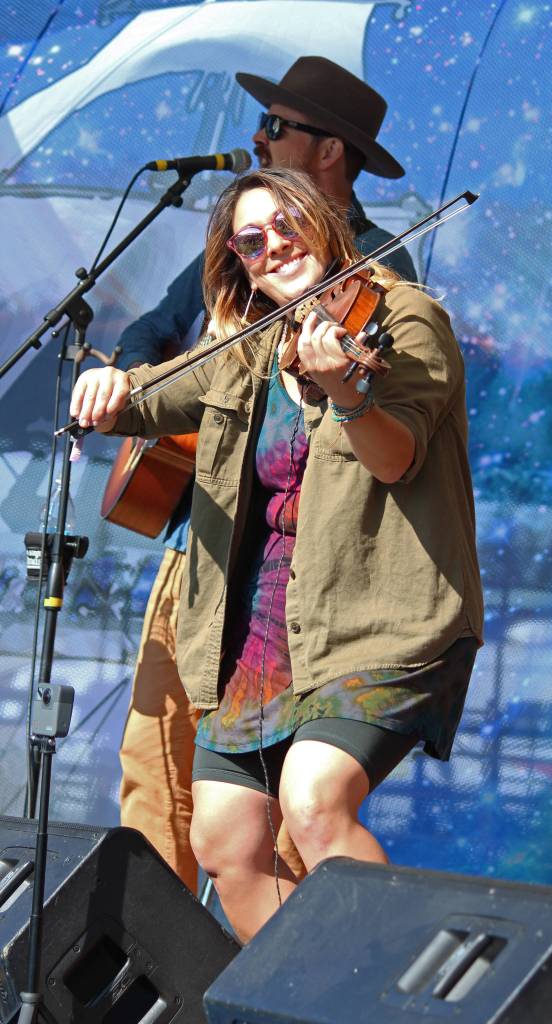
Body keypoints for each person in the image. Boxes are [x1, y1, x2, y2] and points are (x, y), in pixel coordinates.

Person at [71, 167, 483, 944]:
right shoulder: (253, 345)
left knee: (315, 801)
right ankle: (305, 996)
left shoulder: (404, 319)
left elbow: (394, 458)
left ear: (324, 221)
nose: (274, 247)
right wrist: (109, 386)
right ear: (237, 264)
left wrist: (348, 393)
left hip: (378, 615)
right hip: (265, 625)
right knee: (224, 839)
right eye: (251, 242)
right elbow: (150, 395)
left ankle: (390, 998)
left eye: (287, 224)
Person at [115, 56, 417, 893]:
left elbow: (382, 428)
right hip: (200, 544)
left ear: (330, 151)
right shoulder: (240, 239)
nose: (257, 139)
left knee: (287, 815)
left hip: (296, 574)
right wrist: (137, 383)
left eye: (276, 127)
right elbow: (148, 335)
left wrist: (333, 379)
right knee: (158, 779)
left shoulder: (380, 271)